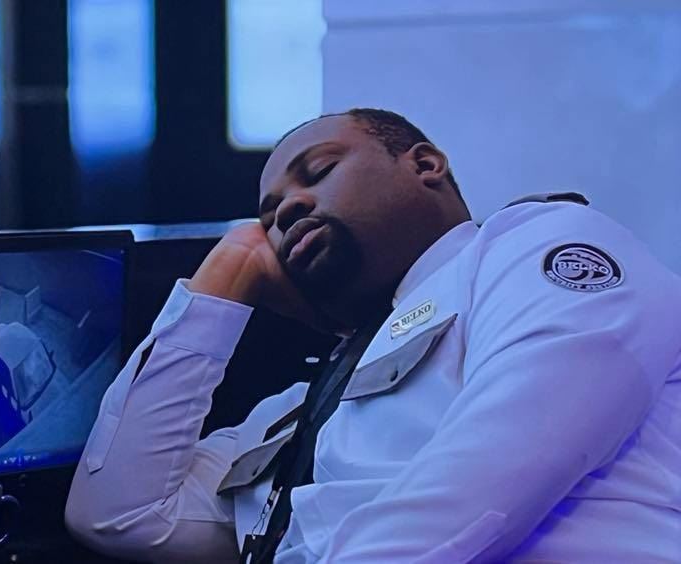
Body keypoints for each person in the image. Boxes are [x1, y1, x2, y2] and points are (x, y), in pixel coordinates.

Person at [64, 109, 681, 562]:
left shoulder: (528, 247)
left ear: (424, 165)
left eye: (319, 171)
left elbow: (491, 475)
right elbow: (120, 511)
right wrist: (223, 280)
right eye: (269, 216)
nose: (288, 210)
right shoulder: (303, 412)